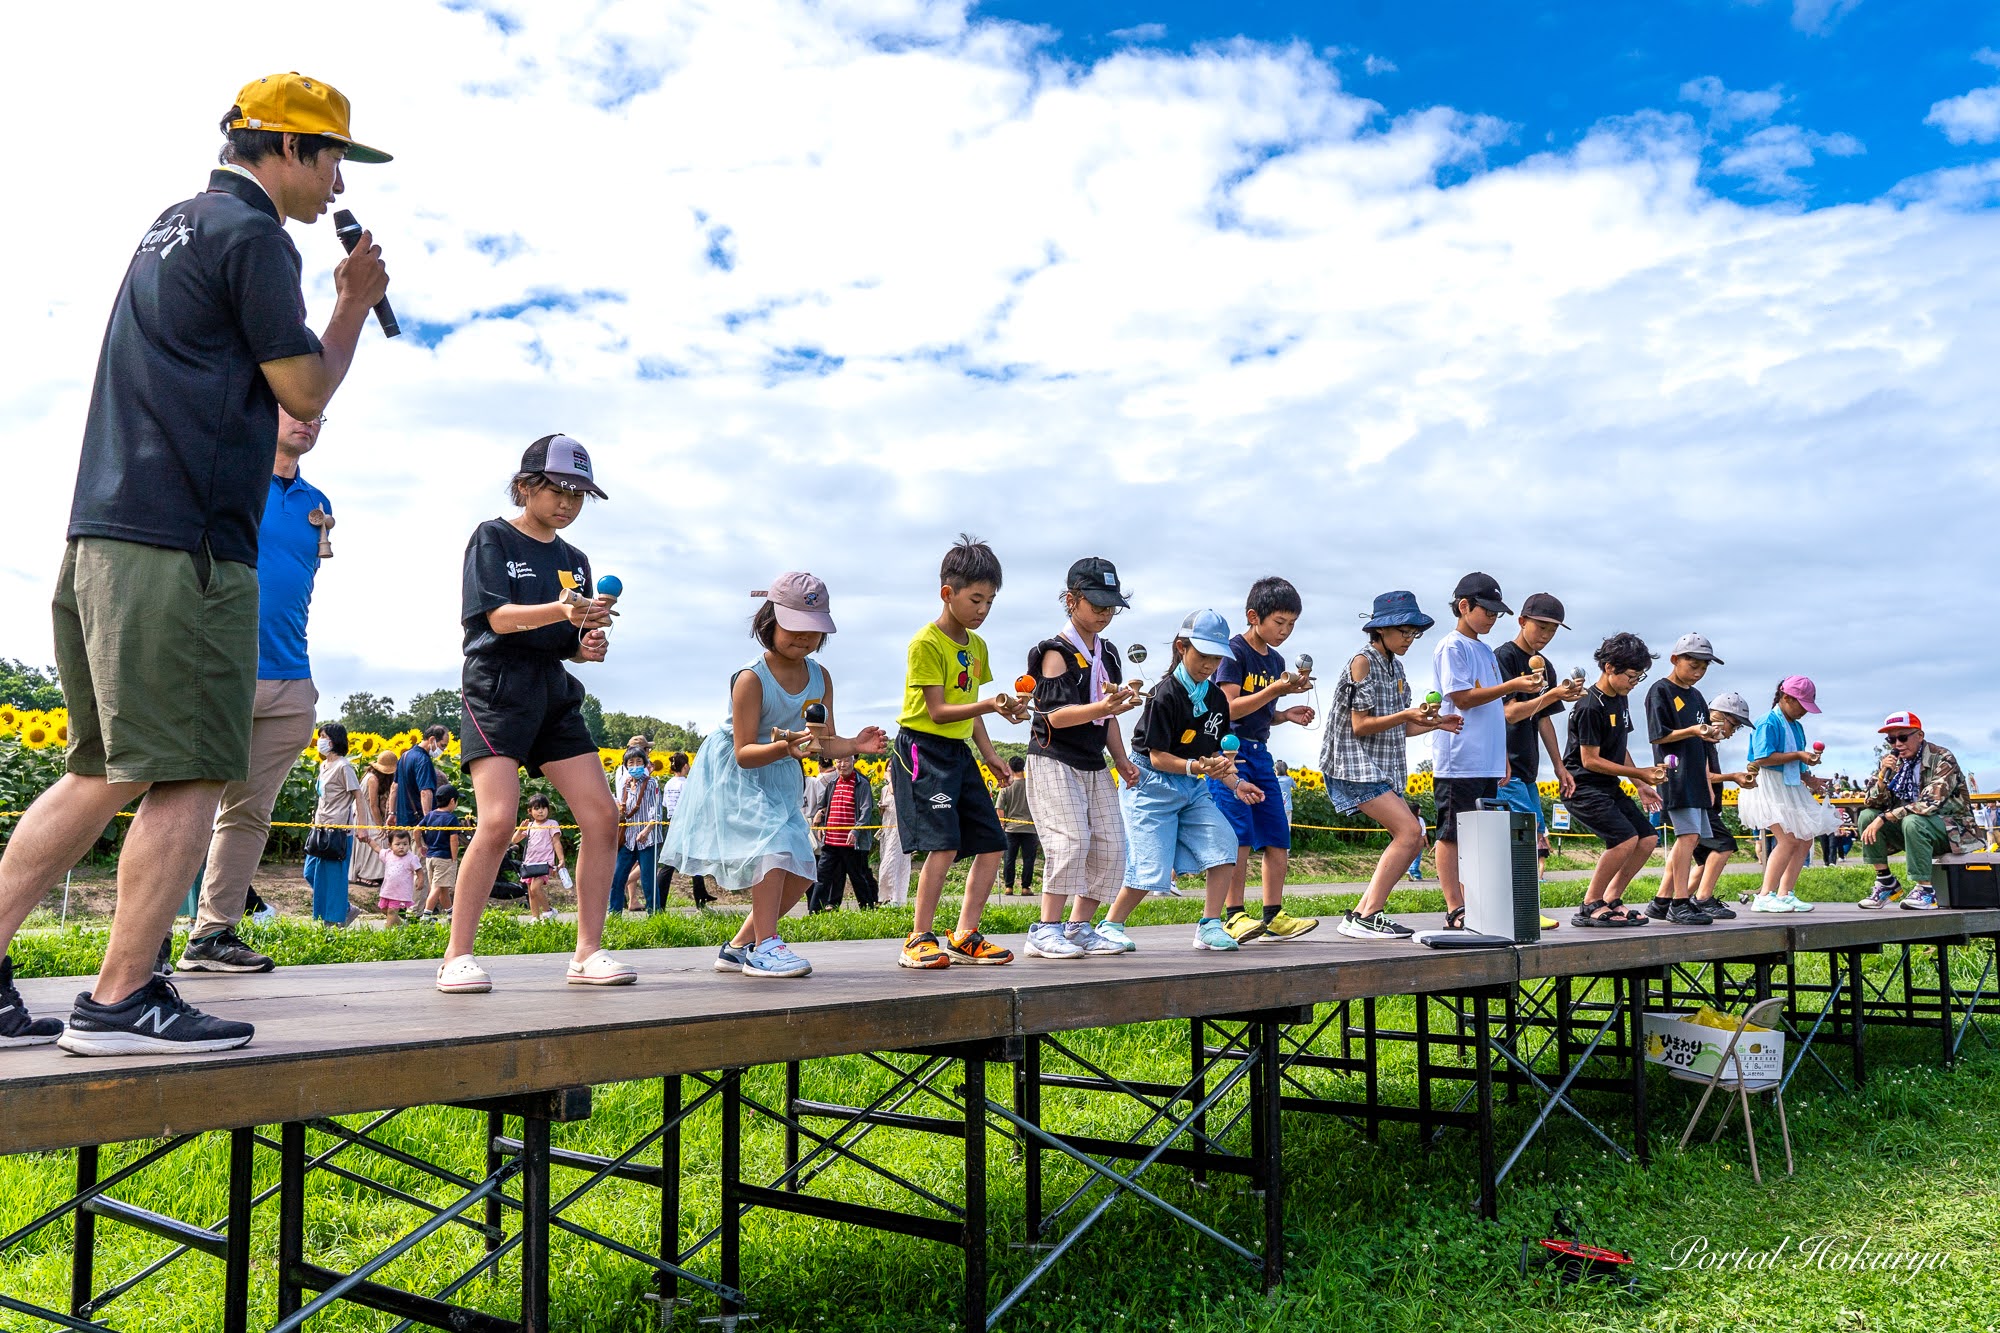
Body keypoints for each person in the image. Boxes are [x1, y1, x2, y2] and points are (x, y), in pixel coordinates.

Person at [0, 71, 391, 1056]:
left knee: (100, 772)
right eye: (335, 155)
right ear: (295, 148)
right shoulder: (256, 236)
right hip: (184, 543)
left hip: (105, 530)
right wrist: (352, 305)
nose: (338, 179)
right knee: (187, 771)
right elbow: (304, 385)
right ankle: (122, 999)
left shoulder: (175, 222)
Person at [437, 435, 633, 993]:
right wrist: (564, 609)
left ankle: (588, 952)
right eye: (557, 490)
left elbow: (567, 638)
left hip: (553, 690)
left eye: (580, 495)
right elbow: (496, 619)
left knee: (602, 816)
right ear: (524, 487)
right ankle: (456, 956)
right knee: (498, 820)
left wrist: (584, 645)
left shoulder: (576, 561)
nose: (568, 504)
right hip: (496, 689)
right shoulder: (492, 537)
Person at [662, 571, 886, 978]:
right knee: (775, 848)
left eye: (813, 631)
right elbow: (745, 752)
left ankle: (736, 948)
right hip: (737, 772)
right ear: (770, 621)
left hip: (783, 772)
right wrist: (786, 746)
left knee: (802, 869)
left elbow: (823, 743)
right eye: (795, 628)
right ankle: (765, 946)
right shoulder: (751, 677)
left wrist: (854, 744)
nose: (803, 639)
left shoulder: (820, 677)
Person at [182, 407, 341, 973]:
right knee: (180, 809)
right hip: (219, 670)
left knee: (249, 816)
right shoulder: (225, 476)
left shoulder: (315, 503)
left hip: (290, 680)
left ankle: (211, 937)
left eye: (319, 415)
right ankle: (144, 942)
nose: (310, 422)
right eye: (297, 411)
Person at [892, 537, 1026, 969]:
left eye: (990, 601)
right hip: (922, 750)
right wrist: (988, 704)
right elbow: (939, 709)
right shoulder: (926, 643)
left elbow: (971, 711)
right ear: (947, 593)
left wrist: (989, 754)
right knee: (944, 843)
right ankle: (918, 937)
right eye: (975, 599)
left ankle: (965, 934)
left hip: (958, 750)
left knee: (992, 841)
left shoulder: (976, 646)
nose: (982, 610)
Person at [1096, 611, 1264, 952]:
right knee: (1150, 864)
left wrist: (1235, 782)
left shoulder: (1217, 698)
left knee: (1223, 843)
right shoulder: (1164, 694)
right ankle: (1110, 924)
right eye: (1202, 655)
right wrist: (1197, 768)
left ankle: (1210, 925)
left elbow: (1216, 753)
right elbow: (1157, 756)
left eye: (1216, 658)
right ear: (1181, 648)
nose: (1208, 664)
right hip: (1152, 784)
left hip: (1193, 786)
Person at [1320, 592, 1461, 939]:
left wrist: (1434, 723)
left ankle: (1359, 915)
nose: (1409, 639)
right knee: (1410, 832)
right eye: (1404, 632)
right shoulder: (1362, 662)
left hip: (1380, 767)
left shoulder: (1397, 668)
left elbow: (1403, 725)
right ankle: (1369, 915)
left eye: (1414, 633)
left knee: (1414, 836)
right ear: (1381, 630)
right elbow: (1361, 725)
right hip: (1352, 764)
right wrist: (1407, 714)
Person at [1023, 557, 1143, 959]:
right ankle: (1045, 929)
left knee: (1110, 845)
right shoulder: (1055, 652)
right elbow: (1054, 716)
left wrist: (1122, 760)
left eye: (1111, 606)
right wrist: (1104, 705)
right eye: (1096, 605)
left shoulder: (1107, 654)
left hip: (1093, 762)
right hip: (1053, 757)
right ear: (1071, 600)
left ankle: (1077, 927)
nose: (1105, 614)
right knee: (1070, 840)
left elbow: (1107, 716)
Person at [1210, 578, 1319, 942]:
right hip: (1229, 752)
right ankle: (1233, 914)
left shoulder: (1276, 660)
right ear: (1253, 616)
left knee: (1277, 832)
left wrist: (1285, 713)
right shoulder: (1233, 652)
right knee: (1238, 832)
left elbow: (1260, 711)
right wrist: (1276, 689)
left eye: (1291, 624)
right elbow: (1228, 708)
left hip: (1260, 751)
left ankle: (1273, 914)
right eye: (1279, 622)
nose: (1285, 631)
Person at [1431, 573, 1543, 926]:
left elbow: (1494, 711)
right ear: (1464, 607)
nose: (1493, 619)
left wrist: (1500, 759)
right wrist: (1512, 684)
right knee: (1452, 834)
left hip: (1487, 759)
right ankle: (1455, 906)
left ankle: (1478, 903)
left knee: (1479, 836)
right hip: (1459, 758)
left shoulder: (1483, 649)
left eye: (1497, 614)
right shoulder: (1453, 646)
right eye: (1488, 611)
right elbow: (1462, 697)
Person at [1563, 634, 1668, 928]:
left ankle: (1611, 898)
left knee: (1647, 838)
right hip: (1581, 787)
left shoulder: (1620, 699)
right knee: (1624, 839)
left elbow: (1619, 748)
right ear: (1609, 667)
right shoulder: (1589, 706)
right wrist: (1641, 773)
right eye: (1631, 676)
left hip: (1607, 786)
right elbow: (1590, 760)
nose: (1634, 683)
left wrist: (1641, 785)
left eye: (1639, 677)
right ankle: (1589, 904)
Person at [1491, 593, 1586, 890]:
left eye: (1552, 630)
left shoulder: (1546, 666)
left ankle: (1525, 904)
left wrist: (1559, 767)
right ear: (1521, 621)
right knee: (1528, 836)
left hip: (1528, 768)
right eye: (1540, 627)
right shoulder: (1503, 657)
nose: (1546, 635)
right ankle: (1517, 904)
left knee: (1535, 834)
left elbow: (1543, 719)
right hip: (1504, 767)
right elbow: (1509, 714)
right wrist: (1555, 694)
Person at [1856, 712, 1987, 911]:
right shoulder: (1894, 762)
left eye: (1903, 737)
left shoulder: (1943, 758)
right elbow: (1871, 802)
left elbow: (1929, 803)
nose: (1897, 744)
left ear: (1920, 735)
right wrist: (1882, 776)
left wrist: (1885, 817)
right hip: (1915, 831)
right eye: (1891, 739)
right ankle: (1886, 883)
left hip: (1953, 831)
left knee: (1912, 820)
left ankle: (1925, 891)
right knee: (1867, 816)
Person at [1642, 633, 1727, 926]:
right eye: (1693, 664)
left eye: (1704, 667)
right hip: (1674, 774)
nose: (1699, 672)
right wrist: (1694, 730)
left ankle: (1663, 901)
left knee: (1691, 840)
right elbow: (1659, 734)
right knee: (1687, 837)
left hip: (1696, 777)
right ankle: (1679, 902)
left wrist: (1707, 781)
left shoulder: (1697, 696)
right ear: (1675, 659)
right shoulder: (1660, 691)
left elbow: (1703, 742)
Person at [1739, 676, 1838, 913]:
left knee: (1805, 838)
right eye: (1802, 705)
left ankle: (1785, 893)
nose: (1805, 711)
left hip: (1789, 786)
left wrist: (1810, 778)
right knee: (1788, 839)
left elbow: (1797, 764)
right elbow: (1763, 758)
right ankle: (1764, 895)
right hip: (1769, 786)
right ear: (1786, 698)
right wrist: (1799, 756)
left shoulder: (1795, 724)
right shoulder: (1768, 722)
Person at [1689, 690, 1759, 918]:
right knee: (1725, 844)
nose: (1732, 732)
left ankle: (1676, 900)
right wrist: (1734, 777)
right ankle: (1703, 899)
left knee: (1703, 858)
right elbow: (1704, 775)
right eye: (1734, 725)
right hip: (1699, 803)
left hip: (1703, 804)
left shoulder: (1709, 742)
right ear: (1719, 717)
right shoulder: (1700, 738)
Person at [303, 722, 359, 926]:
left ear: (335, 740)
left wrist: (358, 827)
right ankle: (345, 908)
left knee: (334, 877)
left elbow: (358, 795)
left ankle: (333, 922)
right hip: (319, 828)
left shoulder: (344, 766)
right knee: (310, 872)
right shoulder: (323, 765)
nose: (320, 741)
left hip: (338, 831)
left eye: (324, 736)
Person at [807, 755, 879, 911]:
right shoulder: (832, 784)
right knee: (822, 877)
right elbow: (825, 807)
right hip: (831, 841)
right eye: (839, 761)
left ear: (853, 761)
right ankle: (814, 912)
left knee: (858, 878)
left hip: (851, 843)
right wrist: (821, 820)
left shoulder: (862, 783)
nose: (842, 764)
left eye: (846, 760)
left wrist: (856, 830)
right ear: (834, 763)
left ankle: (868, 910)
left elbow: (866, 811)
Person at [610, 748, 663, 914]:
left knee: (648, 880)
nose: (635, 766)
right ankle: (614, 913)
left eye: (639, 762)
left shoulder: (652, 783)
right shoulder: (625, 784)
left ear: (645, 764)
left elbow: (656, 810)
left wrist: (647, 830)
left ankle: (654, 915)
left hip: (648, 839)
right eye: (631, 763)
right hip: (628, 839)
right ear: (626, 766)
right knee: (617, 877)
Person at [658, 751, 713, 908]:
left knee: (676, 862)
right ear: (685, 765)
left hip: (671, 824)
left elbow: (665, 805)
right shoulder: (687, 784)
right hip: (686, 825)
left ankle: (700, 896)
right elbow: (693, 805)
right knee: (675, 864)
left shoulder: (669, 784)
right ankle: (699, 899)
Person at [513, 794, 565, 923]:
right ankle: (535, 918)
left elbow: (556, 842)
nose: (541, 811)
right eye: (537, 808)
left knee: (535, 888)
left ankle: (548, 911)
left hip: (545, 863)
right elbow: (514, 840)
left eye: (543, 808)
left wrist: (561, 859)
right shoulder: (530, 826)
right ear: (530, 811)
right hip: (530, 862)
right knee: (531, 892)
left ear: (548, 809)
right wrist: (520, 829)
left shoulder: (552, 824)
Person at [418, 784, 467, 919]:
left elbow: (416, 830)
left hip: (431, 857)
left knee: (442, 888)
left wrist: (420, 845)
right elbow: (454, 840)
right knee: (437, 887)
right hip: (444, 858)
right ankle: (426, 916)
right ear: (452, 801)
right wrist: (454, 857)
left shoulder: (430, 815)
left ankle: (451, 914)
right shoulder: (451, 819)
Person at [351, 752, 395, 888]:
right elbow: (373, 805)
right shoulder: (373, 780)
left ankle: (371, 873)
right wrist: (379, 826)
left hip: (362, 811)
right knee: (378, 838)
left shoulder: (370, 776)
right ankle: (366, 874)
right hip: (363, 813)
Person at [393, 726, 449, 830]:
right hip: (417, 823)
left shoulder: (405, 755)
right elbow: (425, 792)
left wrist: (392, 813)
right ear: (432, 739)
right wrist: (428, 821)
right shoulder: (423, 760)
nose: (443, 750)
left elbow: (394, 787)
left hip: (402, 823)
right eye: (442, 746)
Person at [997, 756, 1039, 894]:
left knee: (1009, 858)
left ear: (1009, 767)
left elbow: (1000, 808)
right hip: (1030, 828)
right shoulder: (1032, 786)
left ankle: (1008, 887)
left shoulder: (1006, 787)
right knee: (1029, 859)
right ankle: (1025, 887)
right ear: (1023, 767)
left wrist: (1002, 824)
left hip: (1011, 829)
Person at [878, 764, 913, 908]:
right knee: (886, 861)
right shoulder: (884, 789)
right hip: (887, 829)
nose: (890, 770)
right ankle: (886, 897)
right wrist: (881, 808)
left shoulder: (903, 786)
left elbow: (895, 794)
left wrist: (889, 779)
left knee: (892, 862)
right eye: (888, 768)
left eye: (893, 767)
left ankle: (895, 897)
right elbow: (883, 812)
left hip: (900, 831)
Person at [377, 829, 425, 928]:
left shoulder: (411, 858)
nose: (401, 847)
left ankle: (388, 933)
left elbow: (419, 870)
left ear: (409, 844)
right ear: (390, 845)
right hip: (388, 890)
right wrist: (368, 840)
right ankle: (401, 925)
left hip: (400, 892)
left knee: (391, 912)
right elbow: (377, 849)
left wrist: (420, 881)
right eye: (398, 844)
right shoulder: (388, 854)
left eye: (405, 844)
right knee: (384, 909)